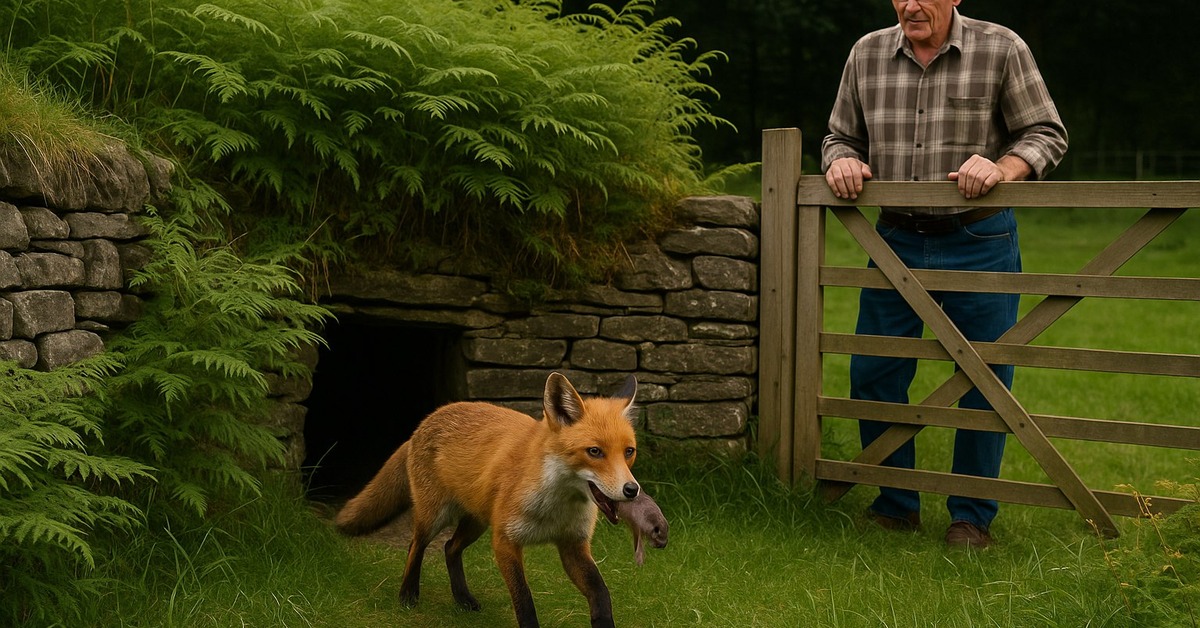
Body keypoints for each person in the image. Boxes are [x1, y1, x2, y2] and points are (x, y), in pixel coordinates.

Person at [821, 0, 1068, 549]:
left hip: (980, 240)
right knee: (875, 373)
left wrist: (1002, 166)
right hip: (893, 241)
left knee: (984, 381)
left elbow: (1046, 132)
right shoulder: (866, 53)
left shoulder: (1002, 46)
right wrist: (841, 159)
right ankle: (894, 503)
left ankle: (971, 518)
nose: (910, 5)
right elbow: (839, 136)